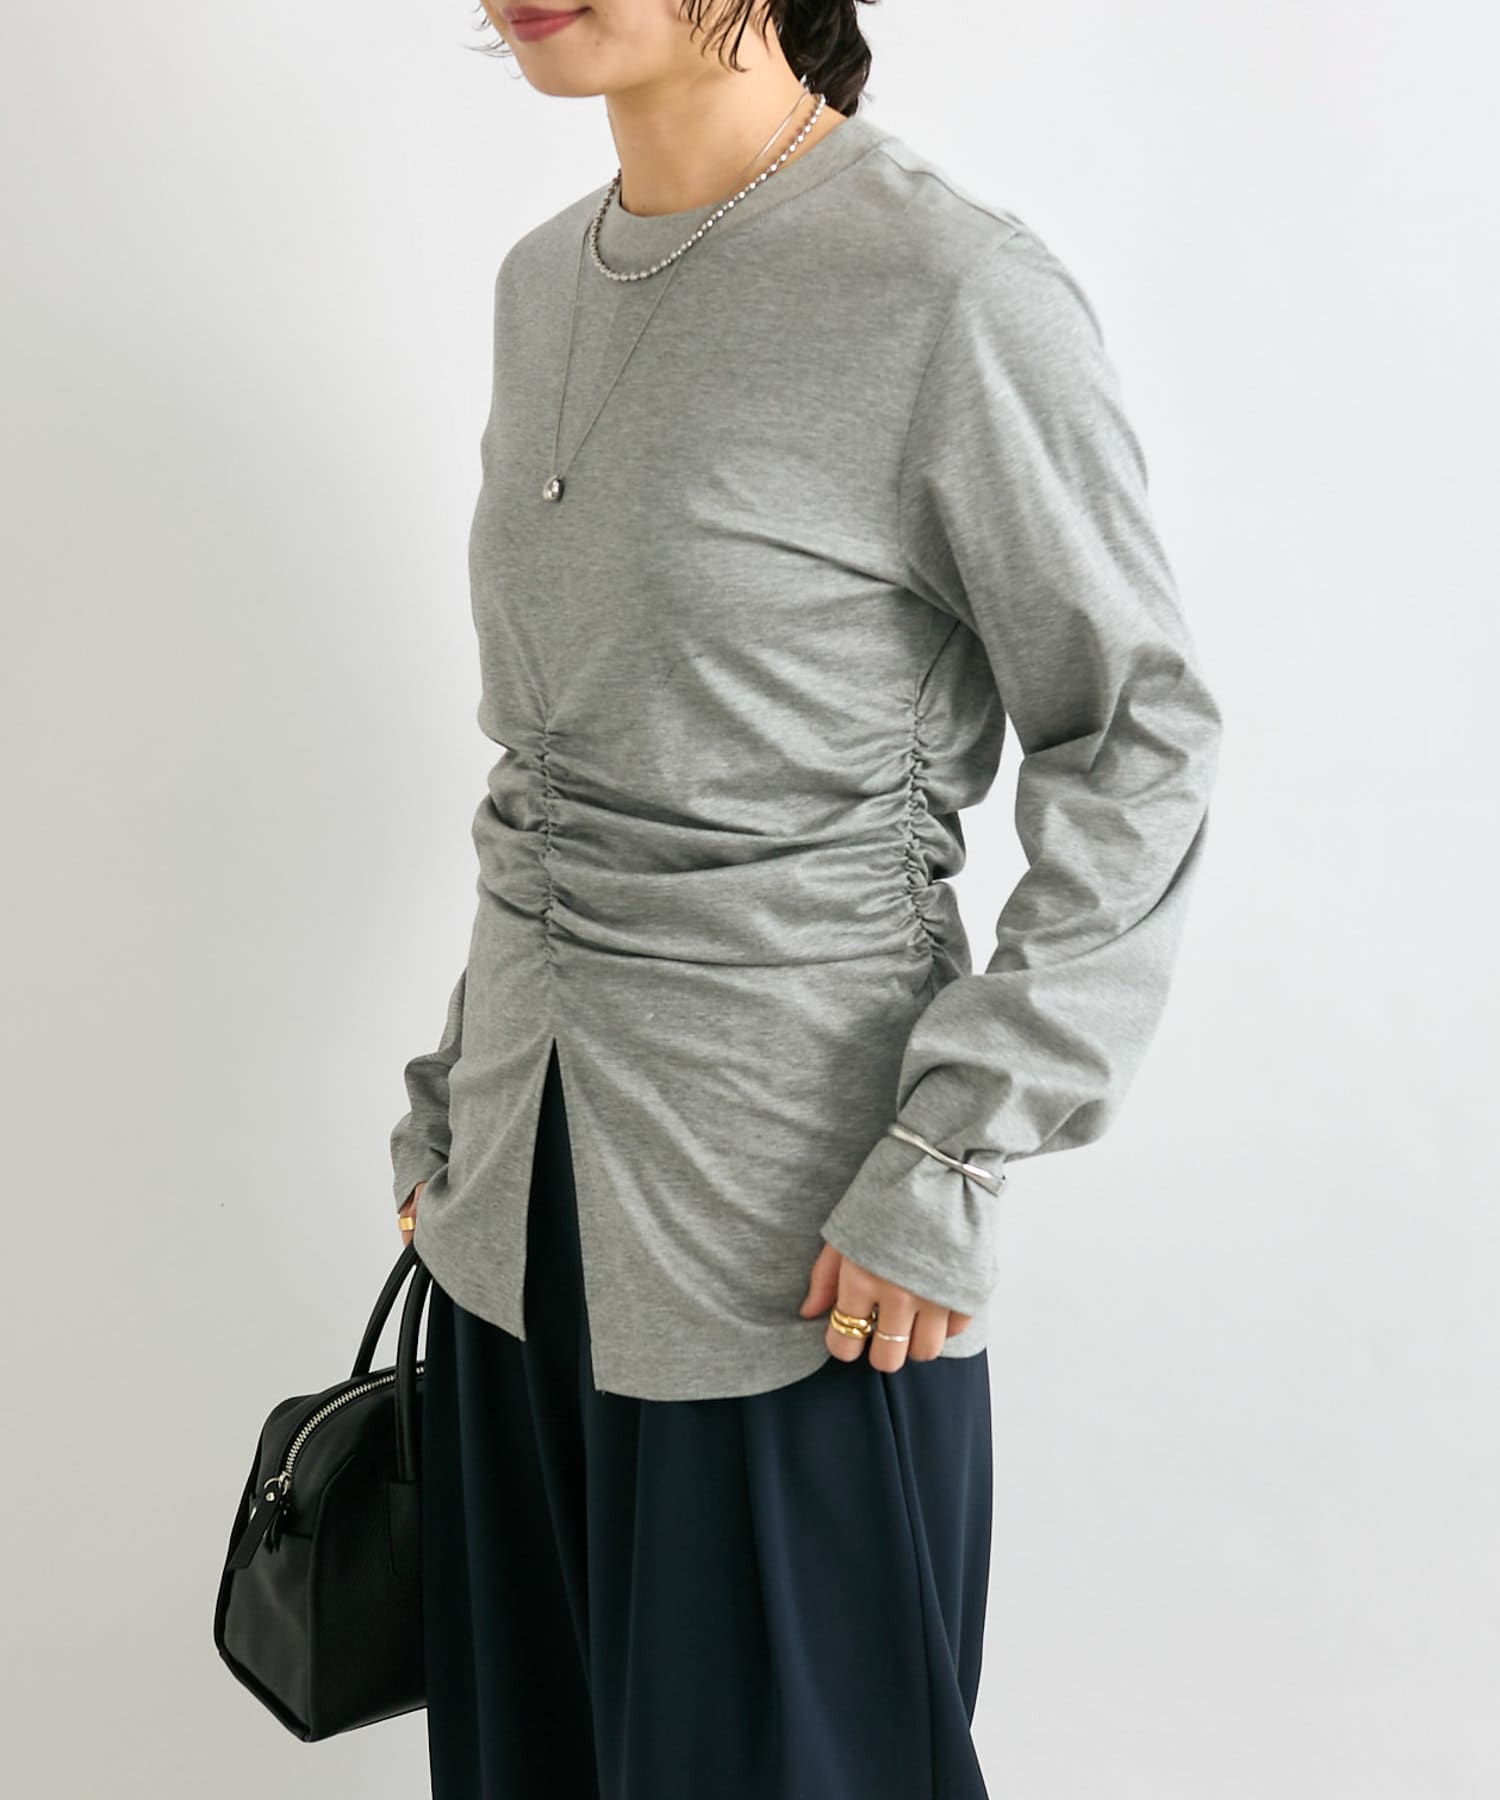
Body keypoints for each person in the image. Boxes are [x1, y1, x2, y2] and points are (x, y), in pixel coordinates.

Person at [389, 3, 1224, 1795]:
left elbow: (1136, 735)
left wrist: (956, 1150)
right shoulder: (543, 280)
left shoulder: (952, 290)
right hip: (514, 1220)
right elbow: (559, 758)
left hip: (799, 1243)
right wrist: (453, 1095)